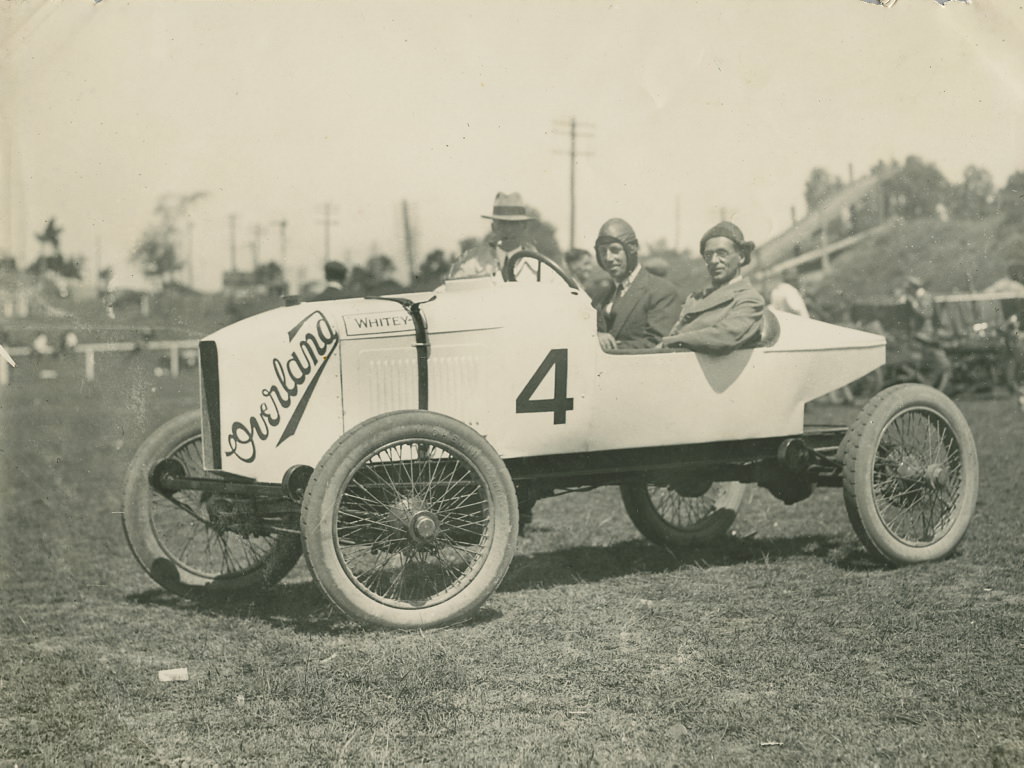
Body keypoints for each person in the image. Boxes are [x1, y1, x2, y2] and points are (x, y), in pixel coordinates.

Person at [658, 221, 765, 354]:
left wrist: (672, 341)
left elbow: (725, 335)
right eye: (708, 255)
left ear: (741, 257)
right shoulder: (696, 298)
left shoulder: (749, 299)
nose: (714, 261)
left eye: (722, 253)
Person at [594, 218, 681, 350]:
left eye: (615, 250)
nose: (608, 258)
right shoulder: (600, 296)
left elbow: (656, 343)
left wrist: (605, 346)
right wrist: (595, 337)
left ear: (632, 248)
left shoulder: (661, 291)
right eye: (603, 251)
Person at [448, 192, 547, 282]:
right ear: (493, 227)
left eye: (514, 224)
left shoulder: (541, 268)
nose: (508, 230)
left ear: (524, 227)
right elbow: (445, 294)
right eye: (502, 223)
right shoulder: (472, 265)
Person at [902, 275, 952, 392]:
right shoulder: (919, 298)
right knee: (940, 367)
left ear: (913, 288)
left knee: (940, 367)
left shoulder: (923, 298)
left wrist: (914, 304)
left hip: (926, 337)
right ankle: (932, 391)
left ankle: (932, 391)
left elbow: (926, 314)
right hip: (923, 338)